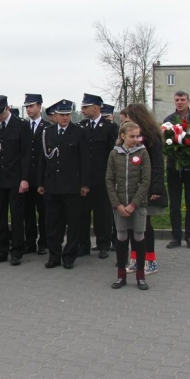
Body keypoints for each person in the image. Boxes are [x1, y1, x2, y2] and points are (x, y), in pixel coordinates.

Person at [37, 100, 90, 270]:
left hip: (72, 185)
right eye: (62, 115)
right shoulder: (47, 132)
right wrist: (40, 182)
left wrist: (84, 184)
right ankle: (54, 255)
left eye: (67, 115)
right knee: (53, 223)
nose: (65, 118)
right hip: (52, 184)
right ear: (55, 116)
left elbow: (84, 159)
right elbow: (43, 159)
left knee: (73, 223)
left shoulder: (79, 132)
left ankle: (69, 256)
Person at [0, 95, 31, 266]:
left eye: (1, 114)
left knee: (17, 216)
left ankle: (17, 250)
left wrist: (24, 179)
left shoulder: (21, 125)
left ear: (7, 108)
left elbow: (25, 154)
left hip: (15, 178)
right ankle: (0, 251)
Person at [105, 121, 151, 290]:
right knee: (121, 236)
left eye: (137, 136)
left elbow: (145, 181)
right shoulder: (114, 154)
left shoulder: (143, 153)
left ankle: (140, 276)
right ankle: (121, 275)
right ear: (123, 136)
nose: (135, 139)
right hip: (120, 205)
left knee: (138, 237)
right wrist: (117, 204)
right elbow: (109, 180)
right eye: (132, 136)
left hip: (137, 205)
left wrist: (133, 204)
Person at [123, 104, 167, 275]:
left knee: (145, 225)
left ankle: (150, 260)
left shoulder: (151, 137)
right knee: (131, 225)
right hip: (130, 187)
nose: (126, 121)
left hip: (146, 188)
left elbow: (158, 164)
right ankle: (135, 258)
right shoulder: (128, 137)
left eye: (129, 117)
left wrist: (156, 188)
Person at [164, 90, 190, 249]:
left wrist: (181, 133)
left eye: (182, 99)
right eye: (177, 100)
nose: (179, 102)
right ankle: (176, 237)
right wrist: (185, 133)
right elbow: (166, 139)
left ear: (188, 101)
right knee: (174, 204)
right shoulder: (168, 120)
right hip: (173, 167)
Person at [78, 94, 119, 259]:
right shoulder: (81, 126)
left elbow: (113, 154)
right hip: (84, 178)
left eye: (85, 107)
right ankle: (83, 245)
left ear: (96, 107)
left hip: (102, 178)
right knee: (83, 214)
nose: (83, 110)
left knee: (102, 213)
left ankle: (103, 244)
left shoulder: (109, 127)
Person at [24, 93, 49, 255]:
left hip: (42, 177)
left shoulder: (47, 127)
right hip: (27, 177)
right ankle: (30, 242)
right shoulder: (23, 126)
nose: (29, 109)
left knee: (44, 212)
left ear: (39, 106)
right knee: (28, 212)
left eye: (32, 106)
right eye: (27, 107)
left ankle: (43, 243)